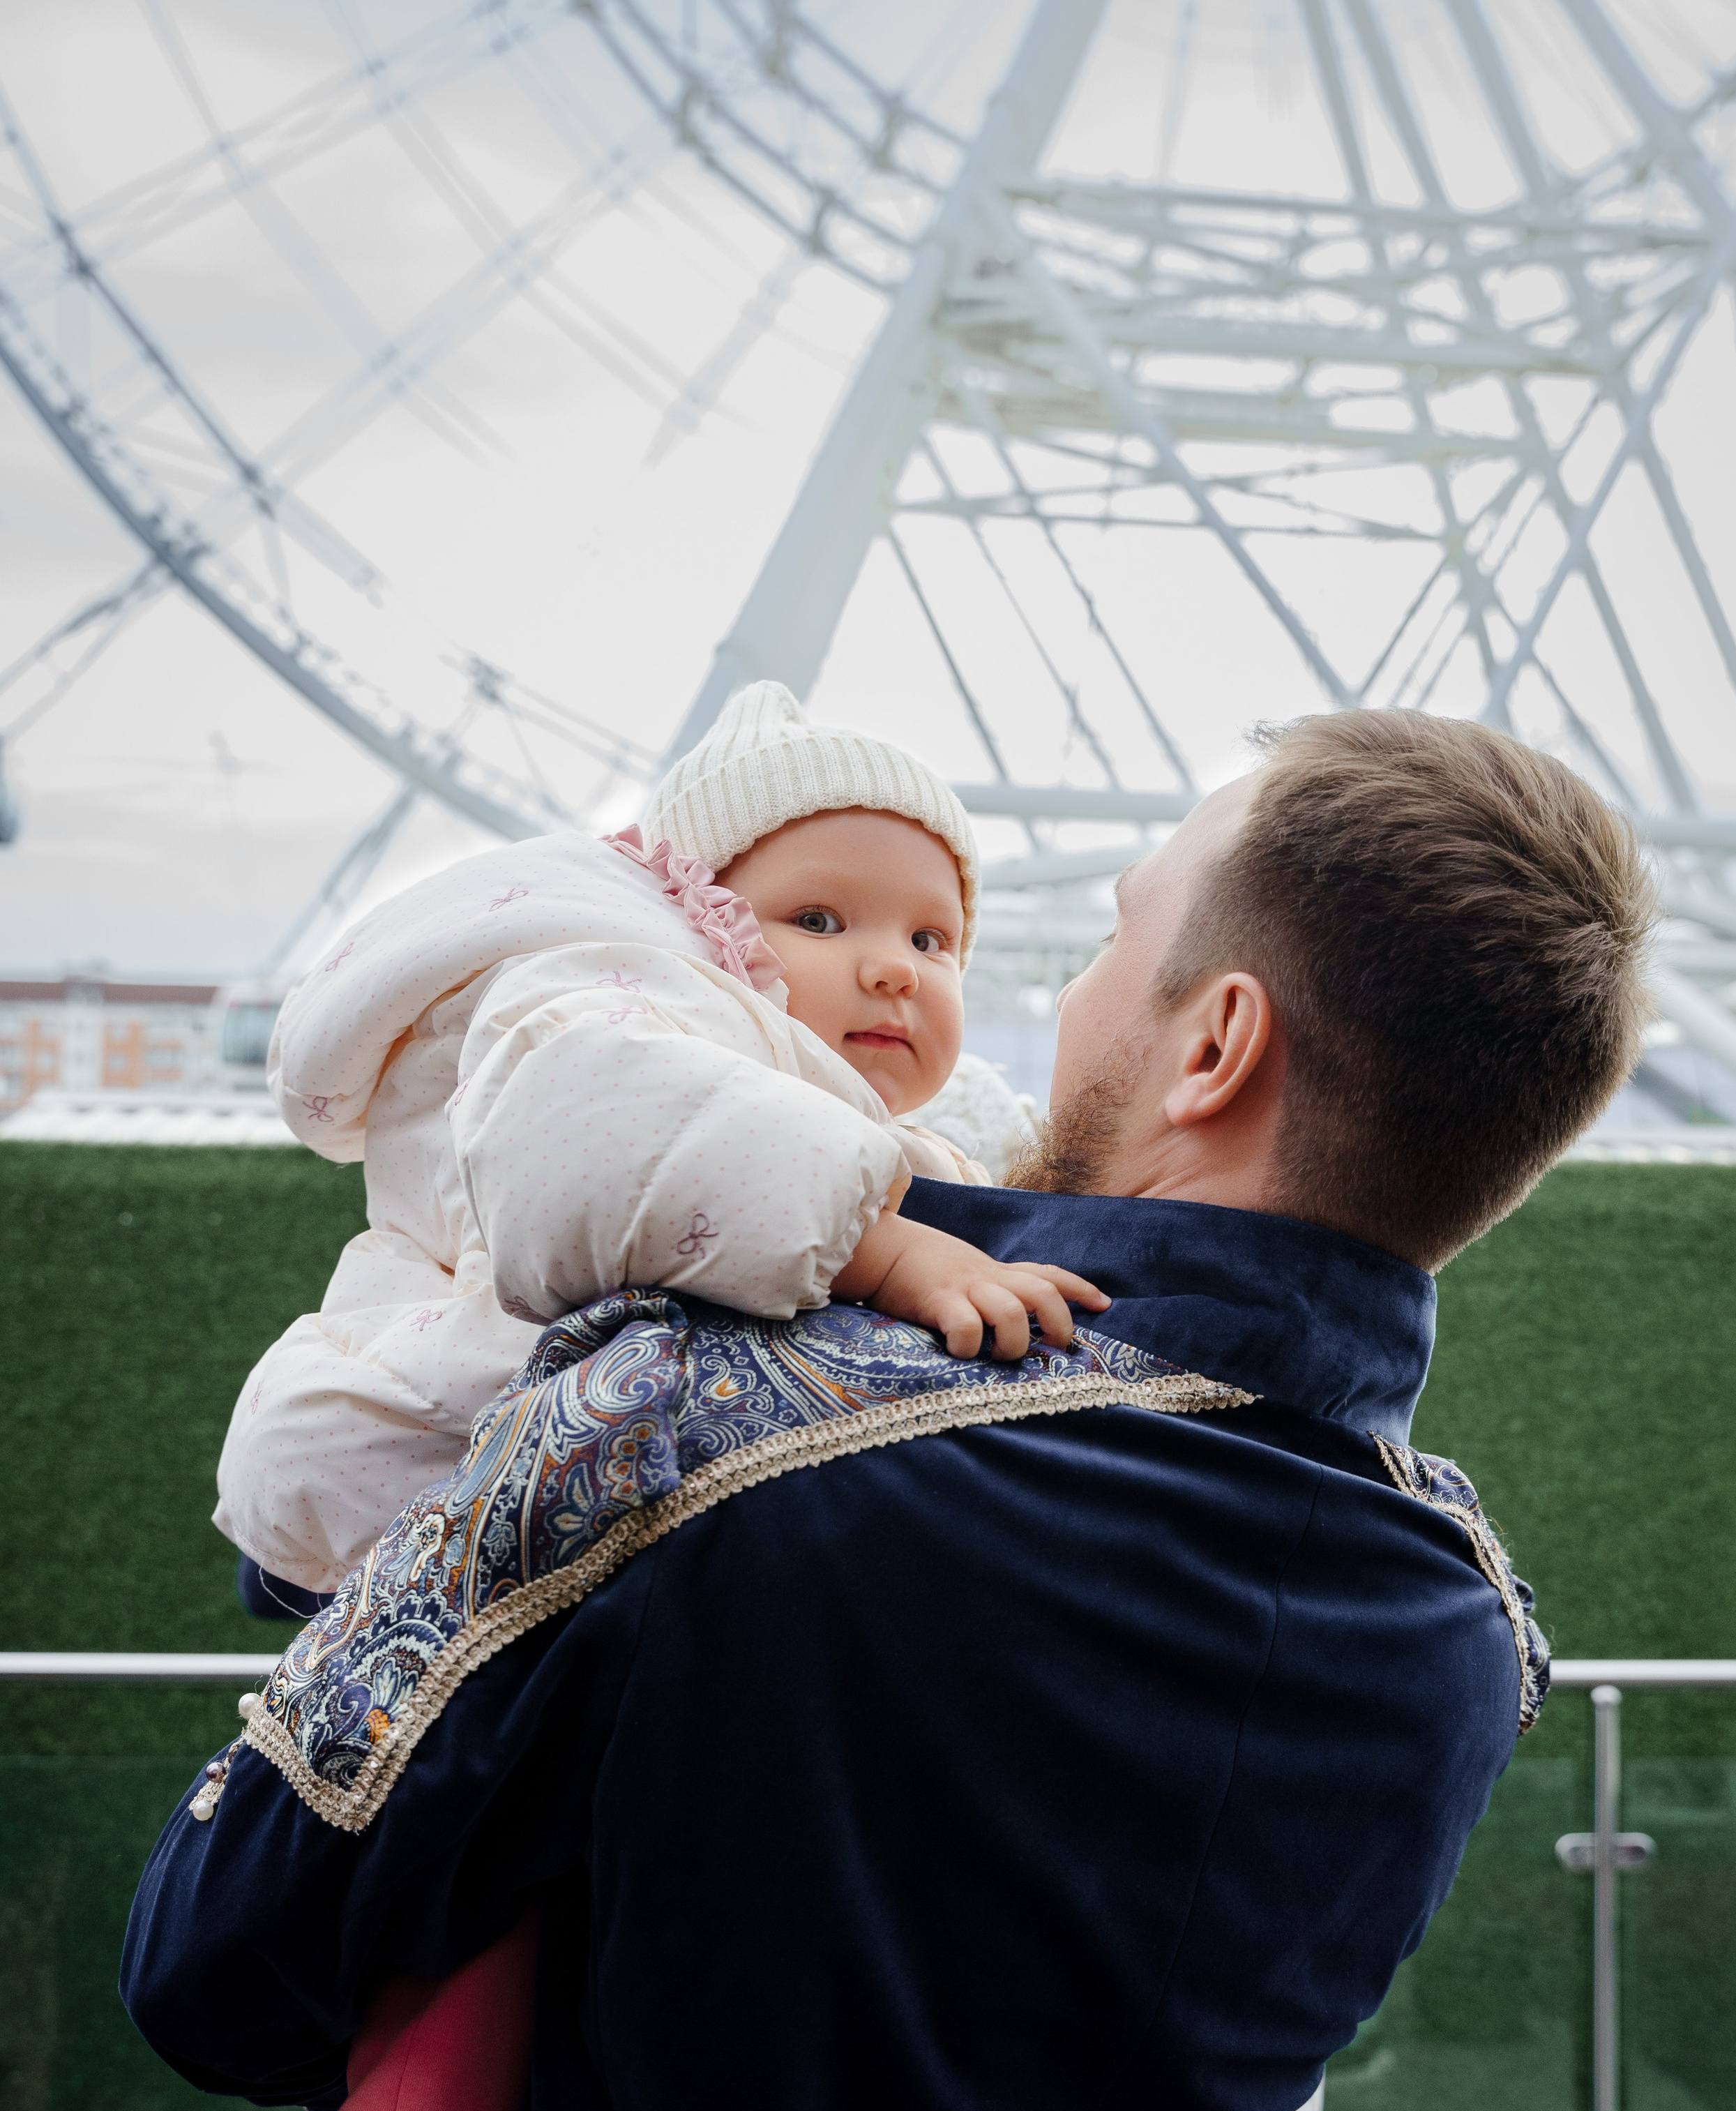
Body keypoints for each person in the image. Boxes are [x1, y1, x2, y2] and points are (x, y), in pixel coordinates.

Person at [117, 709, 1653, 2111]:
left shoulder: (697, 1428)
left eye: (1111, 935)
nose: (1041, 990)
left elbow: (212, 1960)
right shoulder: (1464, 1625)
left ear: (1216, 1045)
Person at [216, 677, 1102, 1602]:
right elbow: (611, 1135)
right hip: (426, 1457)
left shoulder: (869, 1112)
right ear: (699, 916)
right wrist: (885, 1252)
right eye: (819, 920)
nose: (891, 970)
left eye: (932, 939)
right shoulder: (619, 1003)